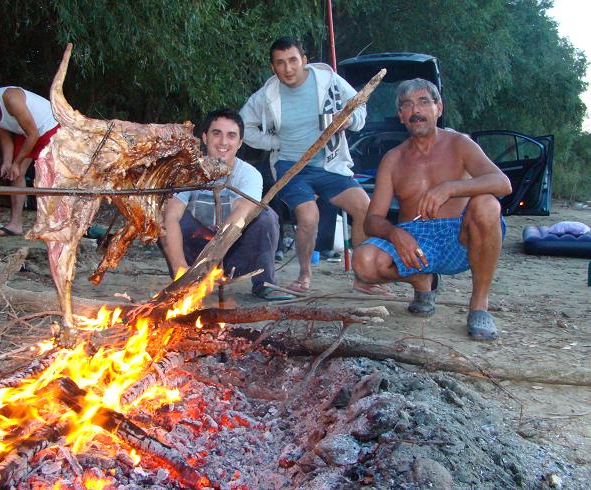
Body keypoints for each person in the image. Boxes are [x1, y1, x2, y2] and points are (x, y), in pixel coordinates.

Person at [352, 78, 512, 340]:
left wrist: (450, 188)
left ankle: (479, 306)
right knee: (363, 262)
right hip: (415, 240)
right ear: (401, 115)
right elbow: (372, 220)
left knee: (487, 204)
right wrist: (395, 234)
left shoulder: (460, 144)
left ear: (439, 108)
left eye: (424, 102)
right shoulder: (393, 159)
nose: (416, 110)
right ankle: (424, 281)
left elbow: (502, 183)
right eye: (407, 105)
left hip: (460, 238)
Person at [240, 36, 375, 294]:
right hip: (291, 167)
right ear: (272, 67)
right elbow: (243, 125)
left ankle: (363, 276)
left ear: (304, 60)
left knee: (364, 208)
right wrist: (273, 142)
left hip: (329, 163)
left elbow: (359, 106)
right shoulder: (267, 95)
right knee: (309, 216)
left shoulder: (328, 80)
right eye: (280, 63)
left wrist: (348, 121)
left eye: (293, 60)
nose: (288, 68)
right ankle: (304, 275)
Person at [160, 108, 291, 301]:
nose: (223, 142)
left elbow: (241, 214)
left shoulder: (249, 174)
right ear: (204, 137)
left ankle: (265, 283)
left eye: (231, 136)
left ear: (239, 143)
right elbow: (171, 217)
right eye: (216, 133)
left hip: (233, 252)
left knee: (266, 216)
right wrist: (180, 266)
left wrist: (211, 262)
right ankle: (183, 277)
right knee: (163, 217)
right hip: (194, 251)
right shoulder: (186, 172)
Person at [0, 85, 59, 237]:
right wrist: (8, 163)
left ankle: (55, 223)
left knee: (49, 175)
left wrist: (17, 163)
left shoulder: (11, 98)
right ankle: (15, 225)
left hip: (49, 129)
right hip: (26, 132)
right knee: (15, 174)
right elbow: (5, 138)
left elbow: (33, 134)